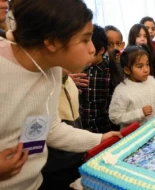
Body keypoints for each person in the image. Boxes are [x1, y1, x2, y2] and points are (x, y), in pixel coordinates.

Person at [0, 0, 121, 189]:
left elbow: (50, 128)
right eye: (85, 39)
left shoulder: (53, 70)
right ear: (52, 42)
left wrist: (98, 139)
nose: (92, 49)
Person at [40, 69, 85, 190]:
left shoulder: (68, 81)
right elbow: (49, 132)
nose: (91, 50)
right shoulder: (41, 87)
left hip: (74, 157)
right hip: (52, 166)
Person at [109, 45, 155, 129]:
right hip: (135, 136)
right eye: (140, 66)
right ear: (127, 70)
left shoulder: (152, 80)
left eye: (147, 64)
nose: (146, 69)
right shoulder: (122, 90)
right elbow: (115, 117)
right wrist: (140, 113)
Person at [79, 24, 120, 133]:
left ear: (101, 50)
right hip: (83, 131)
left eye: (89, 51)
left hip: (106, 130)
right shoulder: (78, 70)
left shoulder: (111, 71)